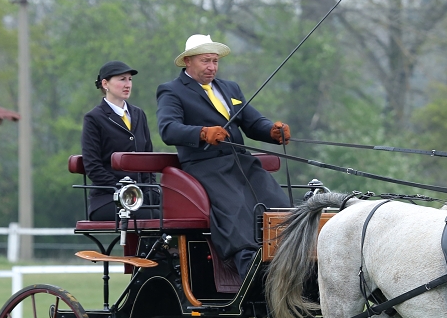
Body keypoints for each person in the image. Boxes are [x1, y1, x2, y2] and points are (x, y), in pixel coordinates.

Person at [156, 34, 292, 277]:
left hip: (241, 163)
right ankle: (249, 269)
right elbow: (168, 129)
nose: (212, 67)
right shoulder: (171, 91)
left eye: (215, 61)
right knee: (236, 209)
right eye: (205, 61)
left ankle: (288, 259)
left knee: (278, 204)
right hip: (205, 166)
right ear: (188, 61)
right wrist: (202, 133)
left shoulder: (229, 88)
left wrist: (271, 130)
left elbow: (252, 121)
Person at [81, 60, 156, 221]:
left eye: (130, 79)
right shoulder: (94, 118)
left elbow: (149, 159)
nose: (127, 84)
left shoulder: (139, 114)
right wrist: (124, 189)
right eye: (122, 79)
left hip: (140, 197)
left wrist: (151, 191)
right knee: (153, 217)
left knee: (175, 212)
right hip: (108, 199)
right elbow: (93, 167)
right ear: (105, 83)